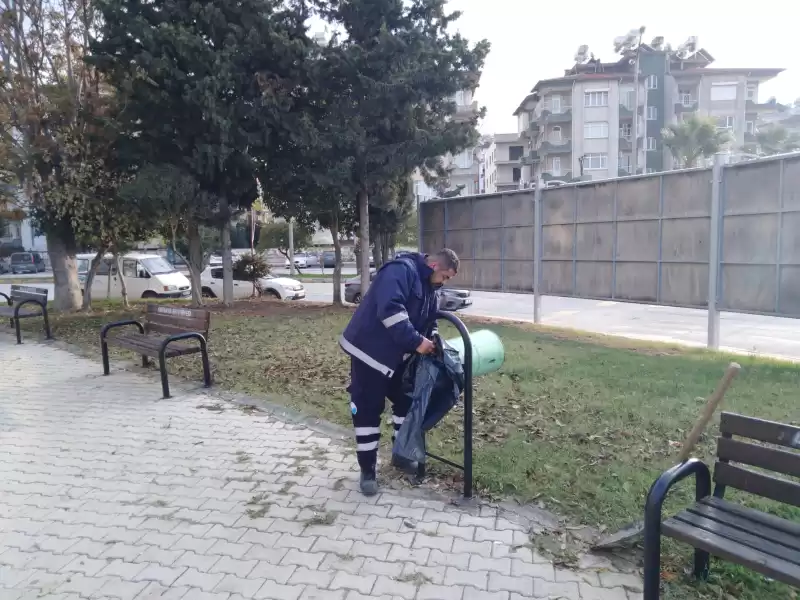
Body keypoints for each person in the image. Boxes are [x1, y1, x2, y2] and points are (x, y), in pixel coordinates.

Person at [339, 249, 460, 495]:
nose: (445, 283)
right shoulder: (399, 271)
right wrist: (418, 342)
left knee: (406, 401)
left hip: (398, 356)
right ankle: (367, 470)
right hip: (370, 353)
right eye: (445, 277)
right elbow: (391, 312)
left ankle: (401, 453)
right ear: (435, 265)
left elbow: (429, 320)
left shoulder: (429, 288)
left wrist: (432, 339)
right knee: (367, 410)